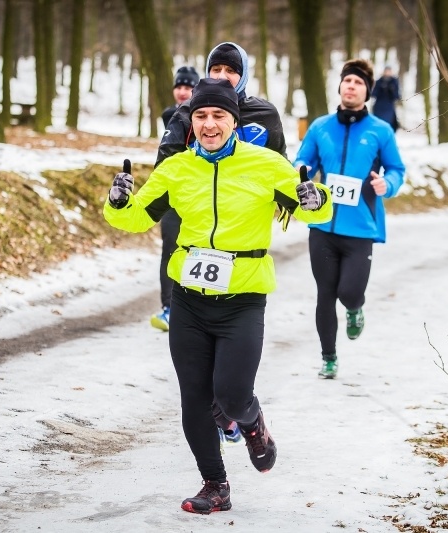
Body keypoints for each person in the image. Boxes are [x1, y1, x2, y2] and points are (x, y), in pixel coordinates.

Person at [103, 79, 333, 513]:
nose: (209, 124)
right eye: (201, 116)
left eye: (219, 116)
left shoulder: (266, 165)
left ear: (233, 121)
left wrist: (314, 195)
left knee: (230, 395)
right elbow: (136, 218)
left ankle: (254, 426)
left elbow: (312, 209)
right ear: (191, 122)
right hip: (189, 299)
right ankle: (216, 485)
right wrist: (118, 202)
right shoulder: (176, 169)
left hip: (243, 298)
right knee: (195, 398)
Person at [150, 43, 287, 334]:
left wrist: (294, 199)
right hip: (191, 206)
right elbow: (164, 166)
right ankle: (172, 308)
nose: (223, 75)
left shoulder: (264, 114)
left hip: (243, 215)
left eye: (231, 70)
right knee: (173, 248)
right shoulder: (189, 112)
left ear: (244, 74)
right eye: (216, 69)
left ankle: (235, 322)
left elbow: (281, 167)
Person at [293, 59, 406, 380]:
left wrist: (389, 184)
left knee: (349, 293)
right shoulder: (320, 127)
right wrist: (301, 172)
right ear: (340, 87)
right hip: (322, 226)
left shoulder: (380, 131)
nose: (351, 86)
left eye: (358, 83)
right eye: (347, 81)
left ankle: (356, 309)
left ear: (367, 91)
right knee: (325, 294)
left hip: (360, 228)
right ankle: (328, 357)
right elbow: (303, 159)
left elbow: (397, 169)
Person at [152, 66, 200, 333]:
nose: (183, 92)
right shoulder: (171, 115)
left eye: (189, 87)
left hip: (199, 197)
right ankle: (169, 307)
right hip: (173, 197)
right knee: (170, 248)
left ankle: (190, 307)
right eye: (179, 87)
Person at [371, 65, 401, 131]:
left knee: (388, 125)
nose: (387, 73)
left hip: (389, 107)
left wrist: (391, 89)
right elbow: (373, 94)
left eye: (389, 71)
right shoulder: (379, 81)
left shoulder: (394, 81)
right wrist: (380, 88)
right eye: (386, 71)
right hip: (379, 107)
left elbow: (397, 96)